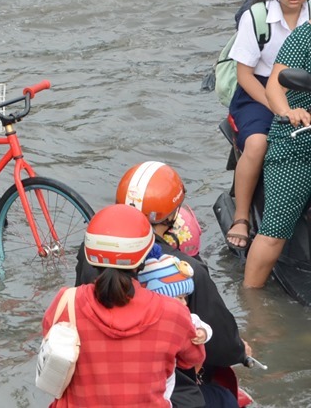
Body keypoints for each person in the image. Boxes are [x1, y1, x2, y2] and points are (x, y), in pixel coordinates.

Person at [76, 162, 251, 408]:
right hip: (163, 390)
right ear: (169, 216)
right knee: (223, 399)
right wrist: (239, 352)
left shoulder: (89, 256)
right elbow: (213, 345)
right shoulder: (186, 275)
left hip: (94, 385)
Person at [44, 204, 205, 407]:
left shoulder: (66, 303)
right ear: (144, 256)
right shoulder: (174, 313)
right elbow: (192, 358)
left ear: (90, 255)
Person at [226, 0, 311, 249]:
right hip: (257, 92)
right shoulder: (257, 17)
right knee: (258, 142)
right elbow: (244, 75)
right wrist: (278, 107)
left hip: (305, 88)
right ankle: (241, 216)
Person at [245, 0, 311, 287]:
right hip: (297, 142)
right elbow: (275, 85)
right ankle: (251, 303)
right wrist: (289, 112)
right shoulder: (303, 38)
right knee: (274, 234)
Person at [137, 247, 213, 404]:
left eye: (185, 297)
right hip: (170, 378)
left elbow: (205, 326)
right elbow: (194, 357)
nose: (185, 302)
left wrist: (203, 333)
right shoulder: (176, 319)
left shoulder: (189, 317)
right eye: (179, 297)